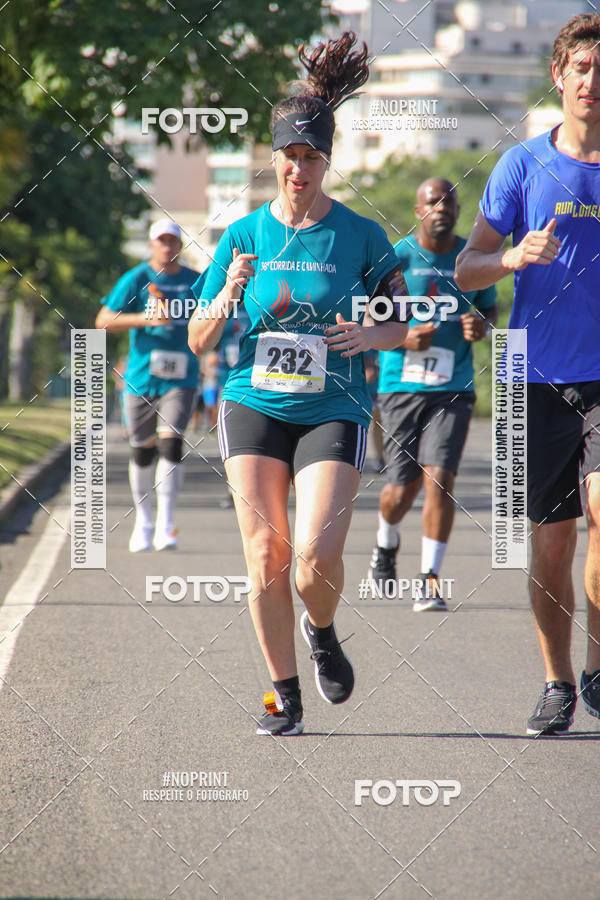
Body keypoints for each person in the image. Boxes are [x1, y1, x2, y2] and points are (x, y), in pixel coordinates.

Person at [188, 32, 409, 736]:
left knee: (314, 555)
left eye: (312, 157)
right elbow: (199, 339)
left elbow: (402, 321)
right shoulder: (241, 235)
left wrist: (370, 335)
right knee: (265, 554)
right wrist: (227, 291)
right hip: (252, 402)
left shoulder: (363, 236)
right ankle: (284, 693)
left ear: (326, 162)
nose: (299, 169)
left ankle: (323, 629)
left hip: (334, 405)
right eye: (290, 157)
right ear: (275, 159)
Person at [455, 12, 600, 734]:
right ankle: (558, 680)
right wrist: (511, 259)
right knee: (553, 541)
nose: (593, 83)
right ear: (559, 75)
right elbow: (466, 265)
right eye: (581, 69)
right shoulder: (522, 165)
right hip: (535, 374)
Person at [368, 179, 497, 611]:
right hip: (401, 386)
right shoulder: (398, 256)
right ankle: (386, 543)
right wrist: (404, 340)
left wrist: (481, 324)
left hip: (452, 387)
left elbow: (489, 307)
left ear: (458, 209)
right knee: (400, 491)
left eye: (449, 201)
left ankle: (429, 578)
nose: (441, 208)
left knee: (439, 480)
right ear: (418, 209)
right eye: (432, 202)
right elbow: (368, 318)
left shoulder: (469, 258)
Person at [96, 219, 203, 552]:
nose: (168, 247)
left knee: (171, 445)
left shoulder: (194, 281)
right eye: (162, 241)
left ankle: (167, 525)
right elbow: (103, 320)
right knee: (142, 451)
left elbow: (216, 314)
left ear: (180, 245)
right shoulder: (137, 279)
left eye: (173, 241)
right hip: (142, 377)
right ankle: (144, 521)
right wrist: (145, 318)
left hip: (182, 377)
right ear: (152, 244)